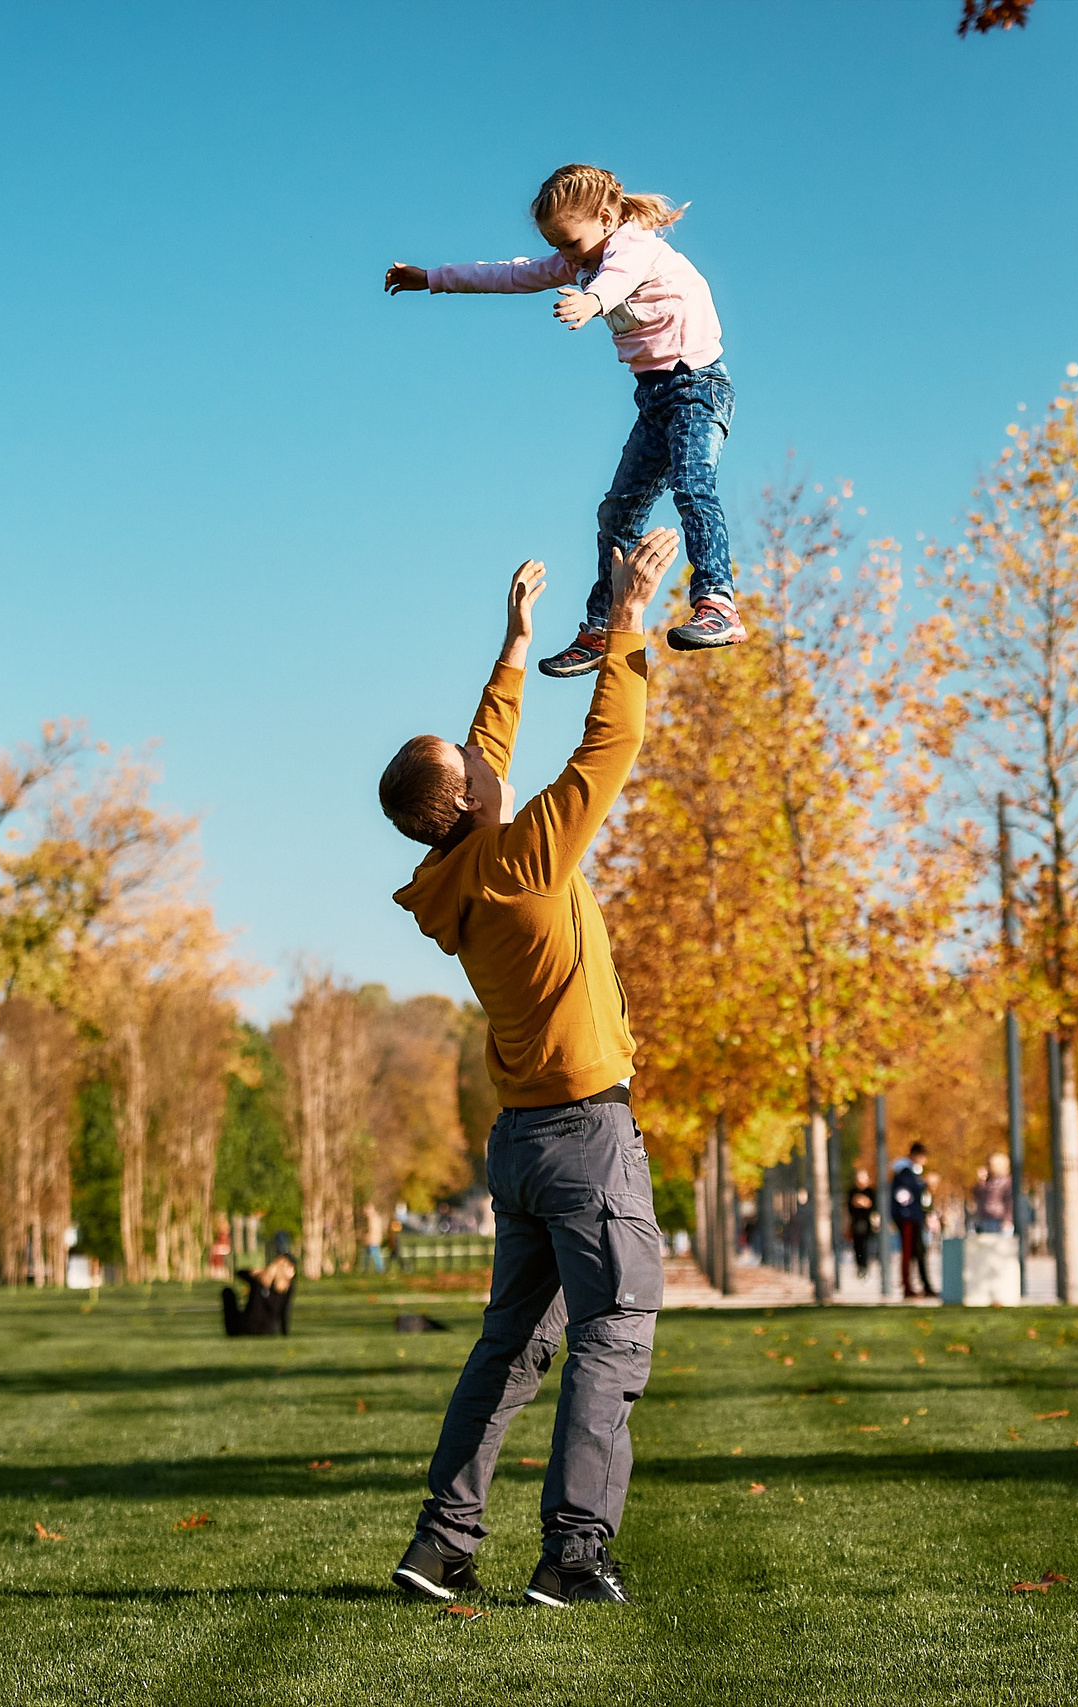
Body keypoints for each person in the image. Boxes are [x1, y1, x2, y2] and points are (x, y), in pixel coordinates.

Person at [380, 531, 679, 1610]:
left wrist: (512, 651)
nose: (484, 760)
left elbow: (475, 763)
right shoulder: (526, 853)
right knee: (613, 1338)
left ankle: (440, 1545)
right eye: (472, 772)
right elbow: (609, 747)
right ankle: (573, 1551)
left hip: (519, 1147)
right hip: (587, 1141)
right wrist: (632, 621)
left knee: (508, 1350)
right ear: (470, 805)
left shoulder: (461, 869)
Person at [385, 165, 742, 673]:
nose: (568, 258)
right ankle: (601, 628)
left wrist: (593, 299)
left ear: (605, 217)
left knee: (692, 485)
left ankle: (717, 602)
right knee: (616, 513)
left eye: (571, 243)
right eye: (559, 247)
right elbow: (509, 274)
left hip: (697, 388)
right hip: (654, 399)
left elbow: (619, 280)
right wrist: (433, 278)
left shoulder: (633, 246)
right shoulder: (580, 261)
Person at [221, 1235, 296, 1337]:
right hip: (269, 1329)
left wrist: (255, 1272)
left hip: (248, 1327)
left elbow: (239, 1273)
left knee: (227, 1292)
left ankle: (232, 1331)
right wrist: (284, 1333)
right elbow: (284, 1312)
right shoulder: (287, 1287)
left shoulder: (260, 1280)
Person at [889, 1145, 935, 1299]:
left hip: (914, 1217)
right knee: (908, 1253)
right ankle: (907, 1287)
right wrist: (924, 1184)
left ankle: (925, 1285)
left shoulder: (913, 1173)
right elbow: (904, 1195)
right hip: (908, 1218)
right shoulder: (905, 1173)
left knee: (920, 1252)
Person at [970, 1153, 1015, 1235]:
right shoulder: (988, 1182)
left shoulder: (1007, 1182)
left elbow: (1009, 1202)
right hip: (986, 1218)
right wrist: (981, 1182)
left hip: (999, 1219)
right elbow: (977, 1195)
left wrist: (1007, 1219)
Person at [846, 1170, 878, 1278]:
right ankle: (860, 1266)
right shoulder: (852, 1191)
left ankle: (866, 1265)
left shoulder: (871, 1191)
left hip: (868, 1223)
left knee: (867, 1245)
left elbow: (875, 1206)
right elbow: (849, 1207)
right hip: (856, 1223)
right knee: (857, 1246)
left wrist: (866, 1203)